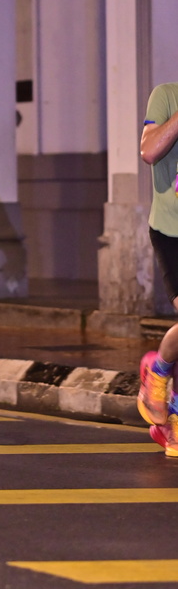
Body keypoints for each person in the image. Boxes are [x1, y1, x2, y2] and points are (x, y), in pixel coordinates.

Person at [138, 82, 178, 456]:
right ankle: (160, 371)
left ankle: (173, 418)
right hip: (172, 231)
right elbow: (150, 151)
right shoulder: (166, 95)